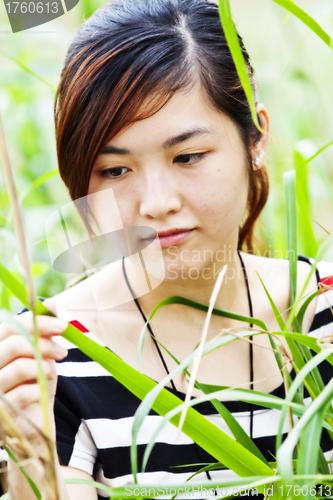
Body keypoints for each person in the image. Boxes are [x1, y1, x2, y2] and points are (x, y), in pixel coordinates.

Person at [0, 0, 333, 499]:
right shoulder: (49, 358)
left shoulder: (323, 312)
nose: (156, 204)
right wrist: (32, 456)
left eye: (188, 156)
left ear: (256, 136)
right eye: (115, 170)